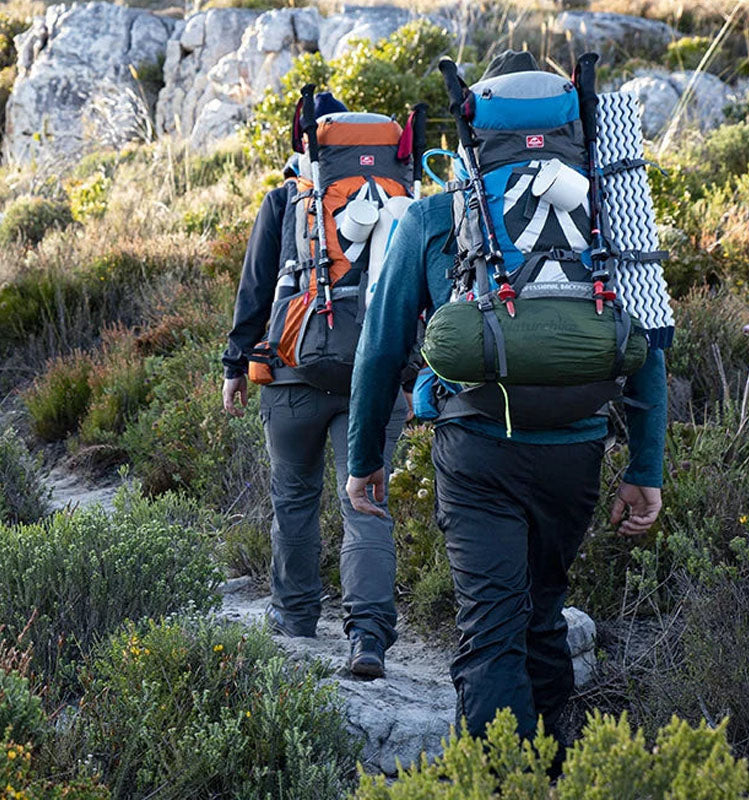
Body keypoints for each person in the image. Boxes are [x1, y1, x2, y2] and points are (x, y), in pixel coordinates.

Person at [346, 52, 667, 768]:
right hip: (578, 450)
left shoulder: (435, 216)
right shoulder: (608, 212)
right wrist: (645, 468)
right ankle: (556, 775)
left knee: (491, 631)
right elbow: (651, 345)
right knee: (543, 618)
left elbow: (378, 350)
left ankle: (501, 784)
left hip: (478, 451)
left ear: (473, 131)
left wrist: (364, 461)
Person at [222, 91, 407, 678]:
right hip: (373, 379)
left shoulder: (284, 201)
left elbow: (254, 292)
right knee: (366, 504)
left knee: (294, 500)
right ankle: (369, 638)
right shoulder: (400, 196)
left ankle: (295, 621)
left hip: (291, 379)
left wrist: (235, 367)